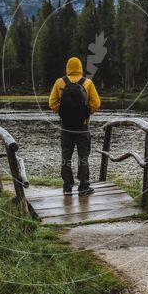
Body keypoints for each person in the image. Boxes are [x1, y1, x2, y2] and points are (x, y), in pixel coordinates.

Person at [48, 57, 101, 196]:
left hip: (66, 127)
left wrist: (62, 112)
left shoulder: (60, 82)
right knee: (83, 156)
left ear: (67, 67)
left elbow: (52, 103)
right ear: (80, 67)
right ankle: (83, 186)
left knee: (66, 155)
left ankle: (67, 186)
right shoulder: (87, 83)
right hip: (83, 127)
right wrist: (86, 113)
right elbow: (96, 103)